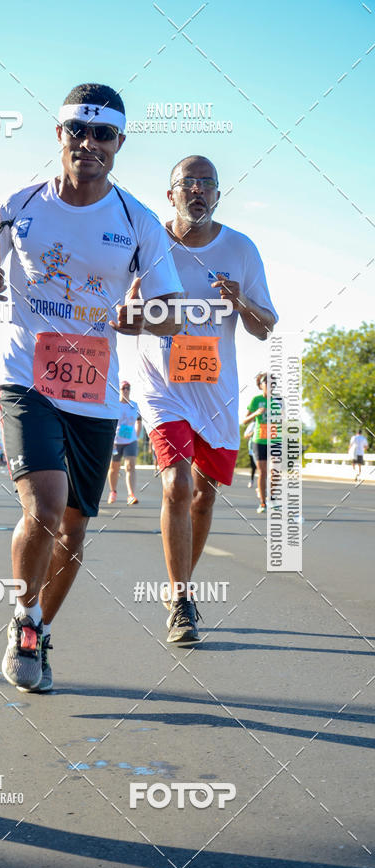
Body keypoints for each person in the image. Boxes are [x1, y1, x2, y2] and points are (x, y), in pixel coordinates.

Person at [0, 82, 182, 692]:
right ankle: (23, 619)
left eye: (103, 133)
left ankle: (40, 630)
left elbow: (172, 313)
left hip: (94, 391)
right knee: (45, 509)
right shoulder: (18, 203)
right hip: (27, 376)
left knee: (74, 528)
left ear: (119, 143)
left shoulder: (137, 220)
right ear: (59, 135)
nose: (89, 143)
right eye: (78, 130)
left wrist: (142, 315)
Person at [137, 155, 277, 644]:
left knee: (203, 495)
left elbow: (265, 326)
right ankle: (181, 601)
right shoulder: (148, 243)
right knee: (176, 484)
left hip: (215, 392)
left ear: (217, 194)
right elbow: (119, 313)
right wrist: (132, 307)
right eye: (188, 183)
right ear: (170, 194)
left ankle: (180, 584)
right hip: (163, 388)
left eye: (207, 184)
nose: (197, 190)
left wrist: (241, 302)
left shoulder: (240, 249)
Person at [243, 372, 280, 512]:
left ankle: (272, 498)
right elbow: (245, 421)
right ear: (260, 385)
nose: (271, 385)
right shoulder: (256, 400)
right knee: (263, 472)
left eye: (273, 382)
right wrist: (256, 413)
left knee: (275, 471)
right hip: (259, 440)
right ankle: (263, 503)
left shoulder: (279, 400)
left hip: (275, 440)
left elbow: (283, 419)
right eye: (267, 382)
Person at [107, 380, 142, 505]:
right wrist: (110, 440)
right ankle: (113, 492)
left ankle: (131, 495)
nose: (126, 390)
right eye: (123, 388)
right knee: (114, 468)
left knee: (130, 466)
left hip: (130, 441)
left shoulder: (134, 405)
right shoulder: (115, 405)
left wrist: (136, 435)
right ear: (119, 390)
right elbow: (109, 422)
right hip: (115, 442)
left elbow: (139, 421)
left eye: (128, 388)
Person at [244, 420, 257, 487]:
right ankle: (251, 481)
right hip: (252, 448)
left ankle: (262, 485)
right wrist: (252, 433)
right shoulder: (252, 424)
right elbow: (245, 436)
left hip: (263, 446)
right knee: (253, 466)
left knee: (263, 467)